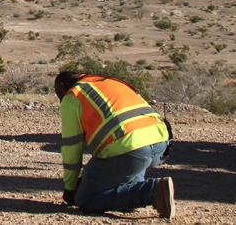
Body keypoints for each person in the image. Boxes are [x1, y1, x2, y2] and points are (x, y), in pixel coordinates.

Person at [54, 71, 174, 218]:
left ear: (62, 88)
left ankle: (153, 192)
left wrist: (70, 189)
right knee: (121, 188)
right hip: (160, 142)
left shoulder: (73, 96)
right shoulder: (110, 81)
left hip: (131, 150)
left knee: (85, 199)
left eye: (59, 96)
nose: (61, 100)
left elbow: (71, 148)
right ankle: (135, 192)